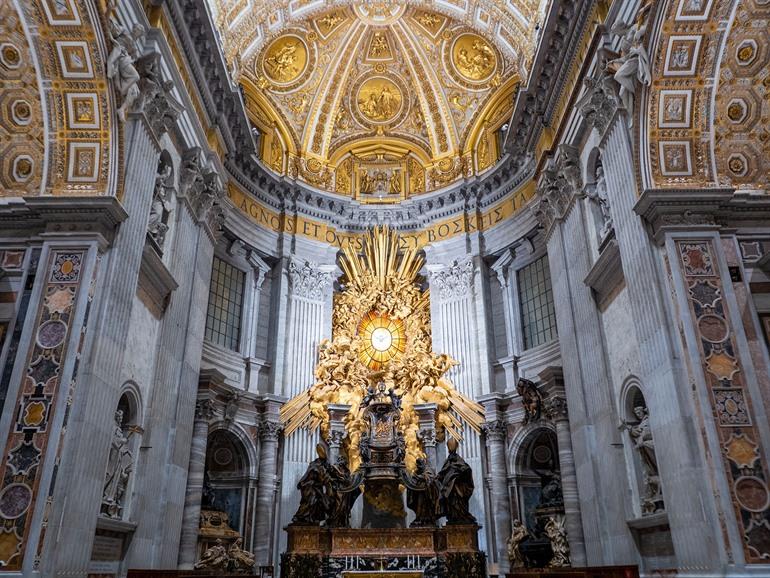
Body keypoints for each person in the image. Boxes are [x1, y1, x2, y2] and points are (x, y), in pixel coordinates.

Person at [436, 438, 476, 524]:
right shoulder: (448, 460)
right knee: (451, 504)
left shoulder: (458, 460)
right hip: (450, 489)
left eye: (452, 446)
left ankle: (461, 516)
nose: (450, 448)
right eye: (449, 446)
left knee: (458, 504)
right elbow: (444, 472)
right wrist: (439, 477)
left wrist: (456, 475)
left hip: (458, 488)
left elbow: (466, 469)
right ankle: (453, 517)